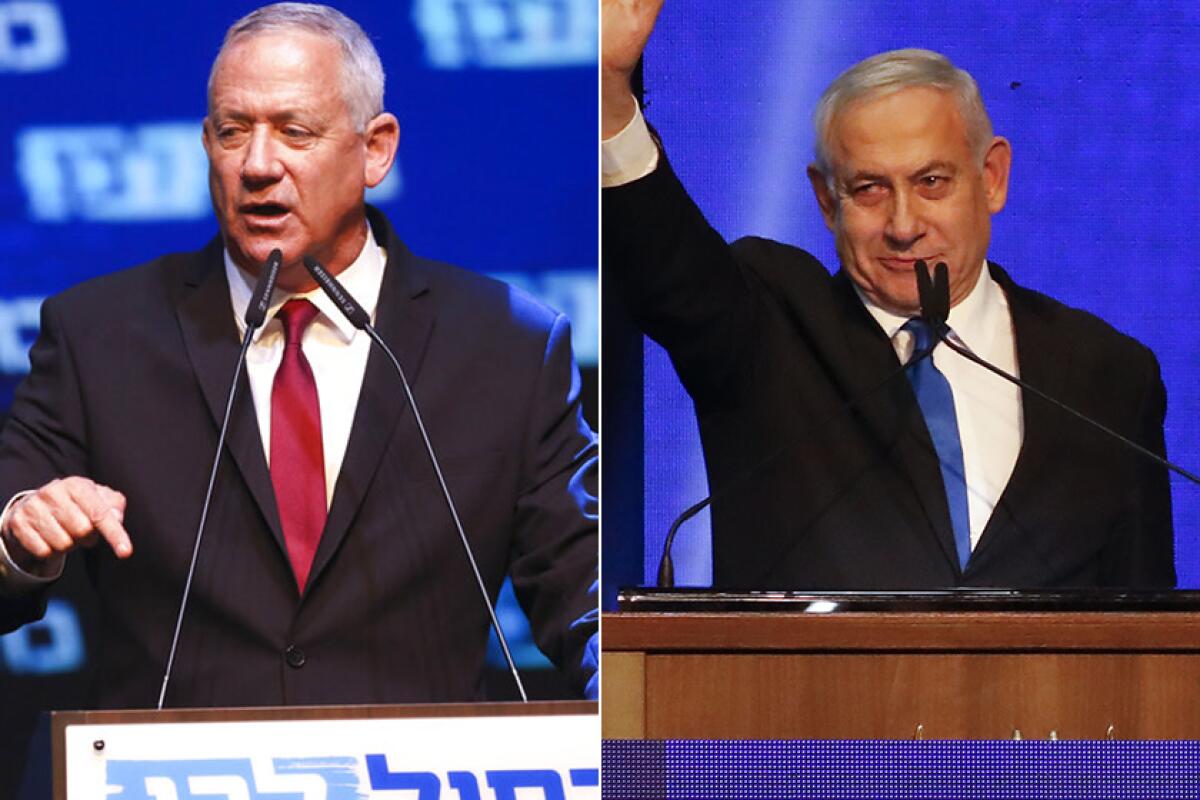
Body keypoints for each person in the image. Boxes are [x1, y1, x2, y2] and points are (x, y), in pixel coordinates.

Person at [0, 2, 598, 707]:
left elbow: (583, 598)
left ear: (375, 149)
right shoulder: (99, 333)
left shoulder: (508, 347)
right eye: (232, 132)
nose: (257, 165)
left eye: (293, 132)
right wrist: (18, 535)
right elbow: (11, 520)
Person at [602, 1, 1174, 589]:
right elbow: (667, 266)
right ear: (827, 201)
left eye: (931, 182)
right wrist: (608, 97)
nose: (904, 225)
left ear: (992, 177)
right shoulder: (770, 328)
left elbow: (1150, 637)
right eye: (870, 189)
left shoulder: (1108, 376)